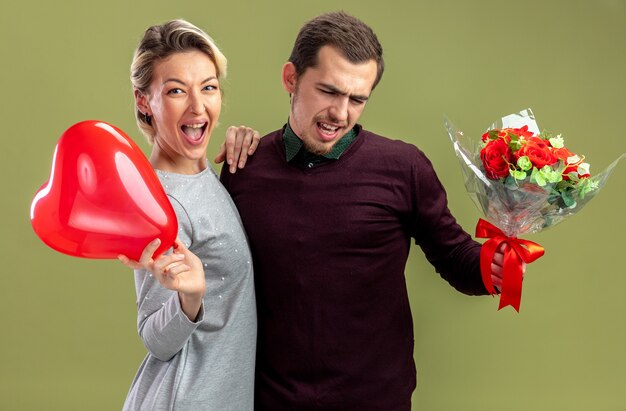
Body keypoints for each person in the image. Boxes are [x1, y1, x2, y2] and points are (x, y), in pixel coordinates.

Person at [219, 12, 509, 411]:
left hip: (376, 401)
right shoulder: (242, 168)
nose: (341, 113)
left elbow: (455, 257)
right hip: (269, 399)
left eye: (357, 99)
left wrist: (495, 265)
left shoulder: (404, 167)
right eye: (328, 92)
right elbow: (221, 280)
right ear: (291, 78)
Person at [117, 19, 258, 410]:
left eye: (208, 87)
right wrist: (190, 299)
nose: (198, 107)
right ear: (144, 101)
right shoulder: (162, 204)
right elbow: (155, 338)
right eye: (176, 90)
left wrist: (249, 146)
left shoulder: (199, 173)